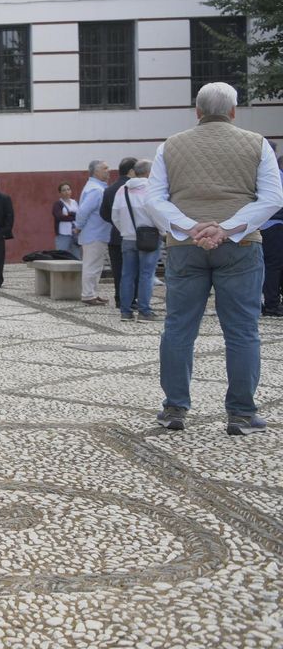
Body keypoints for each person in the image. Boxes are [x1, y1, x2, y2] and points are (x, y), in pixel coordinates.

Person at [146, 82, 283, 436]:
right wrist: (226, 229)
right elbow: (271, 198)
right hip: (240, 246)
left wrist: (193, 228)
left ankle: (174, 409)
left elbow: (154, 200)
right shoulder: (258, 145)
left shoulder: (169, 146)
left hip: (185, 247)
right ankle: (241, 413)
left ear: (197, 111)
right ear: (234, 111)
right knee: (241, 331)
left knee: (178, 328)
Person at [110, 158, 164, 322]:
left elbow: (115, 216)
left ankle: (126, 312)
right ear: (148, 173)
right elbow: (158, 214)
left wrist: (126, 231)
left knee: (127, 275)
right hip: (149, 238)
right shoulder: (152, 189)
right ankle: (144, 311)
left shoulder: (122, 190)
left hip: (127, 238)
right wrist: (163, 231)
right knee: (146, 275)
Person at [98, 157, 140, 309]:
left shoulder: (109, 190)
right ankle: (132, 299)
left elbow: (103, 213)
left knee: (118, 270)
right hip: (134, 234)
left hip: (115, 235)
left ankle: (119, 298)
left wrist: (117, 223)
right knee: (134, 269)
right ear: (131, 171)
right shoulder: (136, 188)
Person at [76, 160, 114, 305]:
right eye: (105, 168)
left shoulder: (96, 187)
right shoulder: (96, 190)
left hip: (97, 233)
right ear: (96, 171)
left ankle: (92, 292)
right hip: (94, 233)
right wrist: (78, 226)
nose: (108, 170)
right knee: (91, 266)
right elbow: (83, 211)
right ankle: (87, 295)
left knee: (96, 266)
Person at [52, 182, 79, 257]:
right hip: (63, 234)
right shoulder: (58, 204)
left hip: (75, 233)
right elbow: (59, 217)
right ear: (60, 192)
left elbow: (80, 215)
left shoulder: (75, 202)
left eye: (68, 189)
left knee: (76, 256)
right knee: (61, 256)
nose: (67, 192)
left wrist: (70, 214)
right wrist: (74, 216)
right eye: (64, 190)